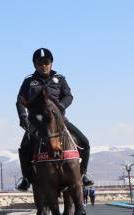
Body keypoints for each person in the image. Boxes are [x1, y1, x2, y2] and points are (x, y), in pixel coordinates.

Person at [15, 48, 93, 191]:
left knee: (85, 143)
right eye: (39, 63)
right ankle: (26, 179)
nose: (43, 65)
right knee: (24, 148)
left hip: (59, 122)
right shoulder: (28, 81)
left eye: (46, 62)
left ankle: (83, 174)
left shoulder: (60, 79)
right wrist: (23, 116)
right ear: (35, 65)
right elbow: (20, 101)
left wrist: (61, 107)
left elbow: (69, 96)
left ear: (51, 63)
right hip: (37, 123)